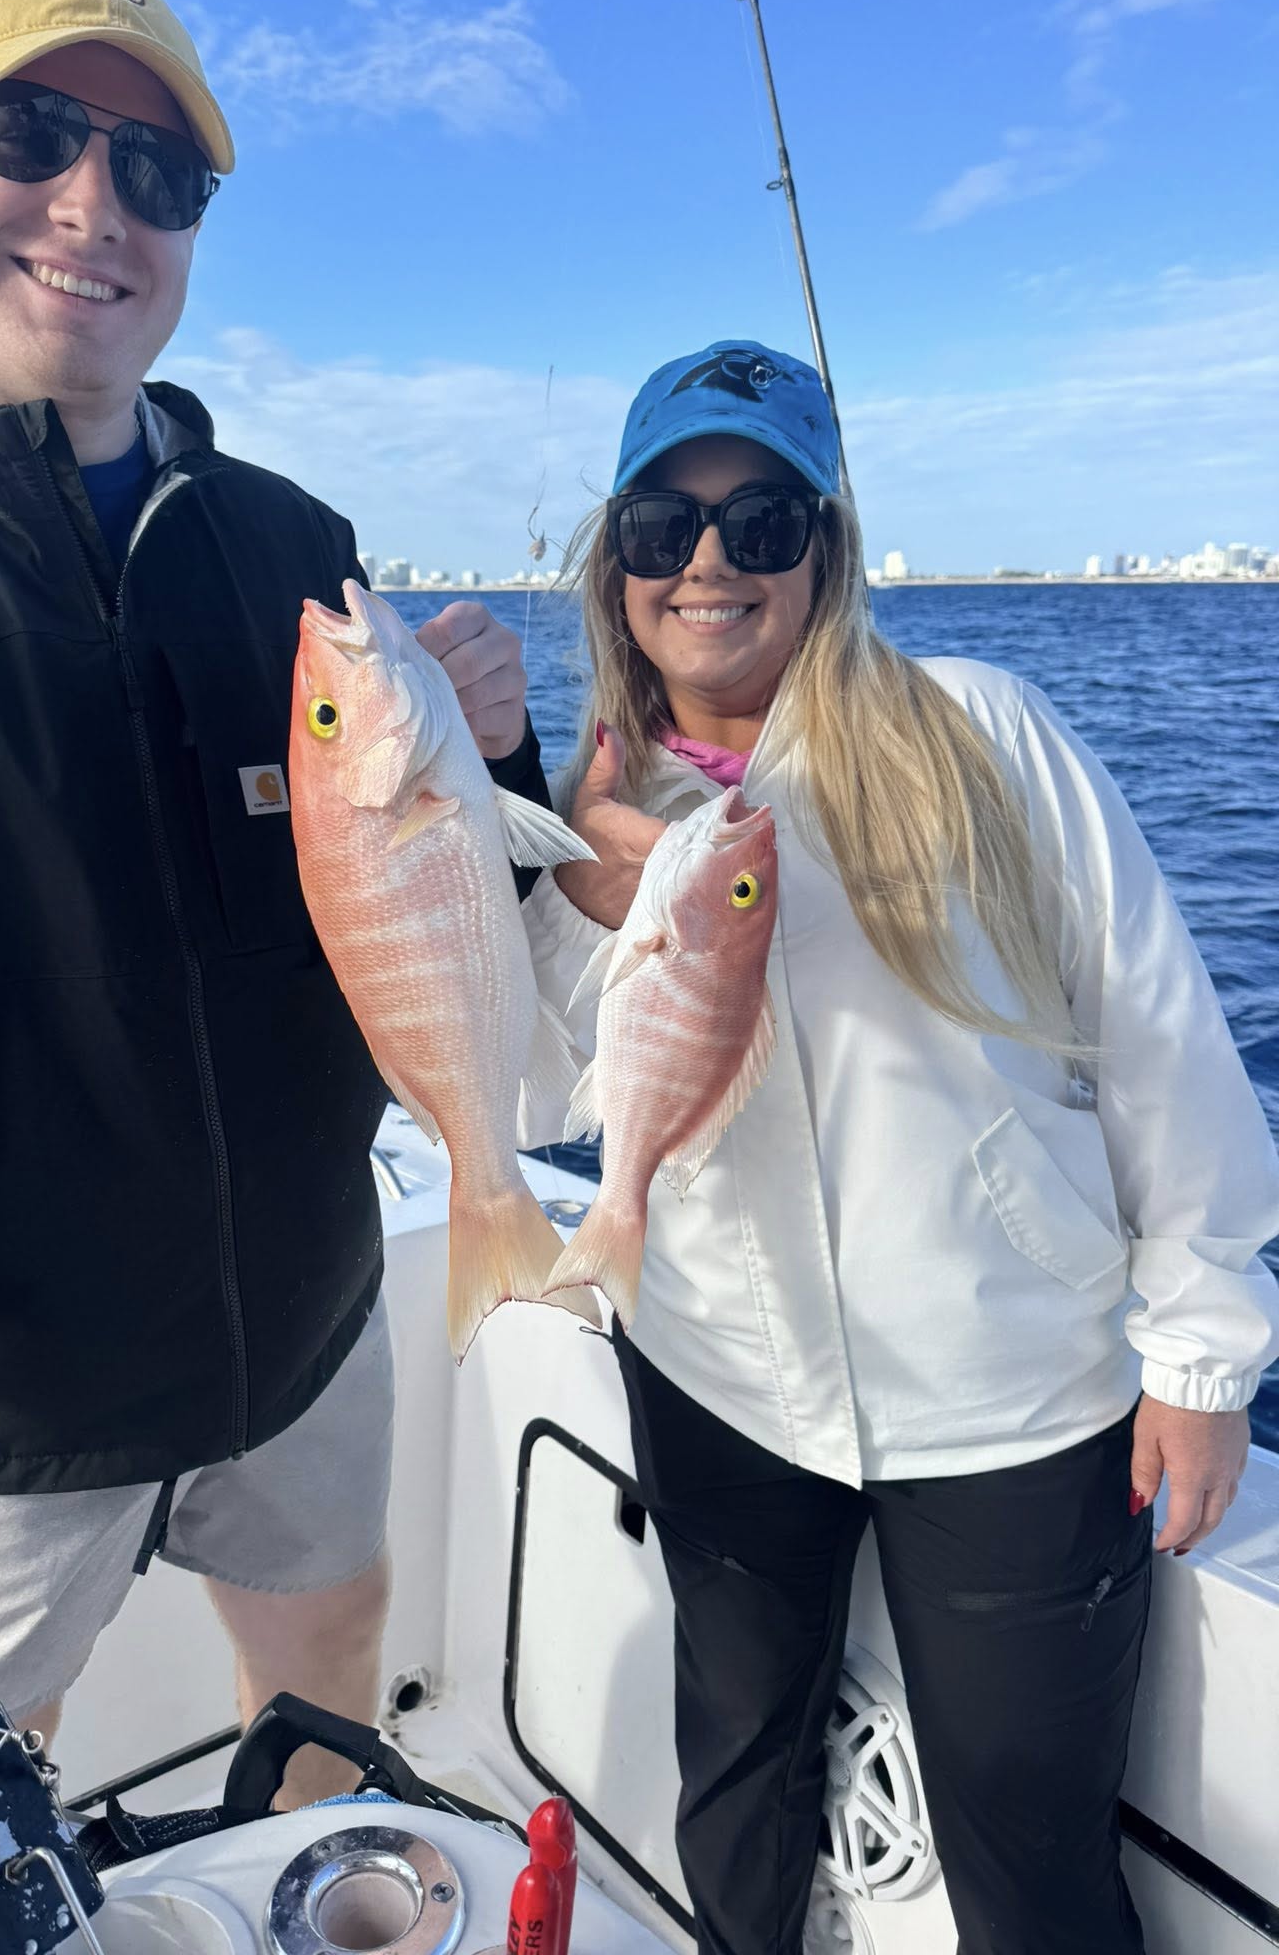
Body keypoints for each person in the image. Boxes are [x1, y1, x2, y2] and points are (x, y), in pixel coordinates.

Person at [0, 0, 550, 1944]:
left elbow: (422, 911)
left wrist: (499, 762)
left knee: (329, 1696)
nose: (95, 205)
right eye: (34, 133)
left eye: (160, 172)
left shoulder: (288, 543)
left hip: (308, 1311)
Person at [518, 338, 1279, 1954]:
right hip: (717, 1373)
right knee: (735, 1781)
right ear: (614, 560)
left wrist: (1204, 1348)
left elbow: (1153, 1029)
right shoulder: (591, 807)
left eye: (762, 520)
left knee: (1031, 1846)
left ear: (827, 549)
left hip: (1012, 1394)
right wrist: (568, 900)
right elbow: (539, 1106)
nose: (707, 560)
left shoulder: (980, 729)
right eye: (661, 522)